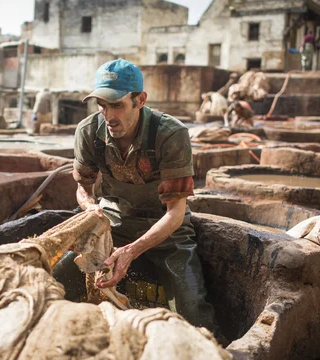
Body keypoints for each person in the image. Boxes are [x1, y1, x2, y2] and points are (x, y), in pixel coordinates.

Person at [71, 59, 217, 330]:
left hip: (166, 230)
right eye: (102, 105)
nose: (109, 115)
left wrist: (130, 252)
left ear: (140, 100)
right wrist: (91, 210)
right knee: (61, 280)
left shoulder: (170, 134)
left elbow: (175, 213)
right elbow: (83, 188)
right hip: (112, 222)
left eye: (117, 105)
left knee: (194, 314)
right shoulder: (89, 132)